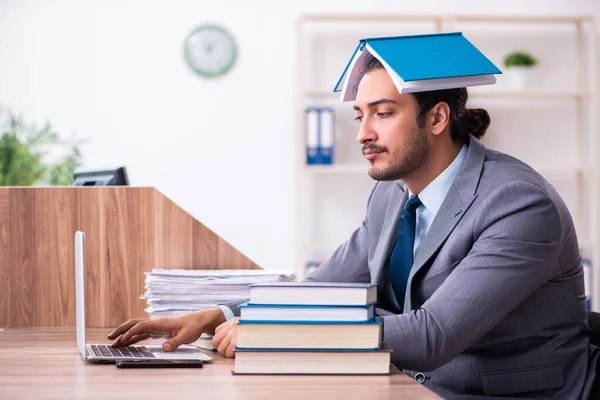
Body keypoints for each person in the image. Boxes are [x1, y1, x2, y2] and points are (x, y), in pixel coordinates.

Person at [108, 57, 598, 399]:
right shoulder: (393, 193)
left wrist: (271, 330)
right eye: (360, 115)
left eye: (383, 114)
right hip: (412, 386)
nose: (363, 133)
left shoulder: (518, 203)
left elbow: (432, 335)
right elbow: (324, 287)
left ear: (437, 118)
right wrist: (216, 314)